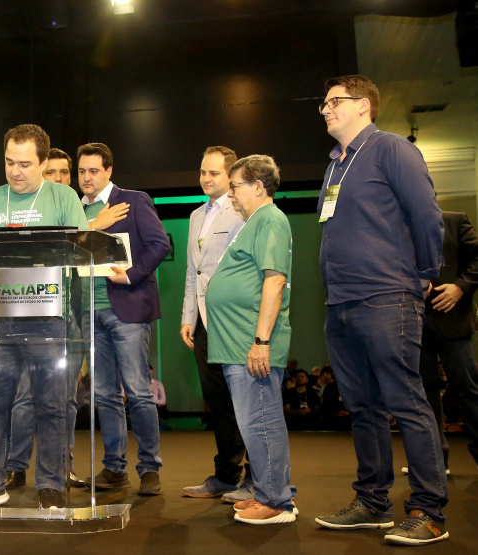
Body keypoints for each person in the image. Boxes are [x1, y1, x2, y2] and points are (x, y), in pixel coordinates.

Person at [313, 75, 448, 545]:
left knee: (406, 403)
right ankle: (372, 502)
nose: (325, 109)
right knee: (363, 407)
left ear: (364, 105)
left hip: (388, 296)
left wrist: (427, 270)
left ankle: (429, 512)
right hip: (341, 301)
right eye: (325, 103)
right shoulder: (335, 165)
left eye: (335, 101)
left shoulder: (391, 148)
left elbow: (427, 214)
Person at [0, 124, 89, 509]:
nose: (15, 171)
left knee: (52, 405)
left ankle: (50, 484)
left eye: (24, 164)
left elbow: (80, 246)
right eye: (9, 162)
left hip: (49, 317)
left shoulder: (64, 196)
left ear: (43, 163)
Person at [76, 142, 171, 496]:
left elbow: (159, 244)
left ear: (108, 171)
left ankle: (149, 469)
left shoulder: (132, 199)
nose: (87, 177)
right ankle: (114, 468)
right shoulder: (76, 210)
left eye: (94, 171)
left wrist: (131, 274)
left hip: (128, 309)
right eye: (82, 171)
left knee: (138, 392)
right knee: (104, 395)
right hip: (89, 311)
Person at [205, 154, 296, 525]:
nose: (230, 194)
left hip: (250, 343)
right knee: (253, 421)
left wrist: (260, 341)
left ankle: (276, 502)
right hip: (238, 342)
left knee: (261, 421)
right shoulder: (254, 221)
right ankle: (268, 492)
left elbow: (274, 280)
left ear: (259, 186)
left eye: (236, 185)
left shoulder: (270, 219)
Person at [181, 146, 252, 503]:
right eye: (202, 172)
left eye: (214, 173)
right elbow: (193, 272)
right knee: (218, 399)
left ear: (230, 176)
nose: (206, 178)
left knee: (247, 399)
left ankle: (257, 478)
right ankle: (226, 475)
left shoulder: (244, 210)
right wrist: (187, 318)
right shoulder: (195, 215)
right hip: (205, 321)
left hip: (236, 317)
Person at [409, 211, 478, 474]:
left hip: (453, 319)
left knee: (466, 389)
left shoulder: (454, 220)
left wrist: (460, 287)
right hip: (414, 321)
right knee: (423, 395)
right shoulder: (397, 226)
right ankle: (434, 461)